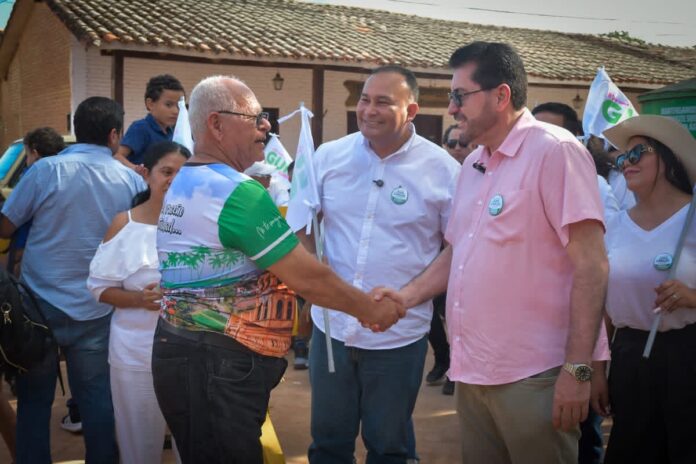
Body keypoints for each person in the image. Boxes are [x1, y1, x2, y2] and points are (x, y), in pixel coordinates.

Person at [375, 42, 609, 463]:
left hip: (534, 376)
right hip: (473, 372)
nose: (451, 108)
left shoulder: (555, 151)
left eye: (459, 96)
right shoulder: (473, 165)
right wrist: (405, 297)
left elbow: (591, 265)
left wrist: (578, 370)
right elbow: (458, 251)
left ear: (501, 96)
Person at [151, 75, 404, 464]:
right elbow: (308, 278)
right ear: (216, 124)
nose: (266, 126)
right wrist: (372, 310)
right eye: (255, 118)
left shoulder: (187, 178)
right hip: (216, 363)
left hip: (187, 353)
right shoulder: (237, 192)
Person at [289, 65, 460, 463]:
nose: (368, 110)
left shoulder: (444, 171)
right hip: (332, 330)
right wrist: (317, 274)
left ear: (411, 110)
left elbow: (458, 248)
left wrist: (407, 297)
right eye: (364, 100)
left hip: (398, 335)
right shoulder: (329, 156)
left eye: (383, 102)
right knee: (328, 444)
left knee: (389, 447)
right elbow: (301, 224)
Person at [0, 96, 145, 463]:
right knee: (97, 399)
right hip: (98, 306)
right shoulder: (129, 180)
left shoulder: (45, 171)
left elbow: (6, 225)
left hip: (37, 307)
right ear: (114, 135)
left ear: (77, 130)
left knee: (34, 401)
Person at [595, 115, 696, 464]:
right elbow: (601, 308)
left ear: (668, 158)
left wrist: (693, 298)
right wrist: (594, 372)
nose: (626, 163)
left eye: (638, 153)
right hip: (630, 356)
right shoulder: (614, 226)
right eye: (623, 157)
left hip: (689, 354)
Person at [87, 141, 190, 463]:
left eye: (183, 174)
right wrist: (138, 299)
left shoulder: (201, 225)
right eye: (167, 172)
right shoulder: (125, 224)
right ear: (147, 174)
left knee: (193, 443)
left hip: (193, 353)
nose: (174, 180)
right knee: (139, 445)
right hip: (135, 353)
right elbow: (99, 288)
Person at [532, 102, 616, 464]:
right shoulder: (515, 177)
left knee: (583, 437)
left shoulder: (594, 187)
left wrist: (590, 367)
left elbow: (598, 269)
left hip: (578, 343)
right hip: (533, 352)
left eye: (551, 132)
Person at [532, 102, 620, 224]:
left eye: (548, 135)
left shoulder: (595, 186)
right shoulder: (513, 179)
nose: (537, 141)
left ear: (570, 140)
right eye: (533, 133)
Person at [114, 74, 185, 172]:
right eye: (168, 105)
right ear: (150, 104)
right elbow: (117, 156)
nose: (175, 111)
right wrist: (136, 169)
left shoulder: (174, 131)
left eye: (179, 106)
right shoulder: (140, 128)